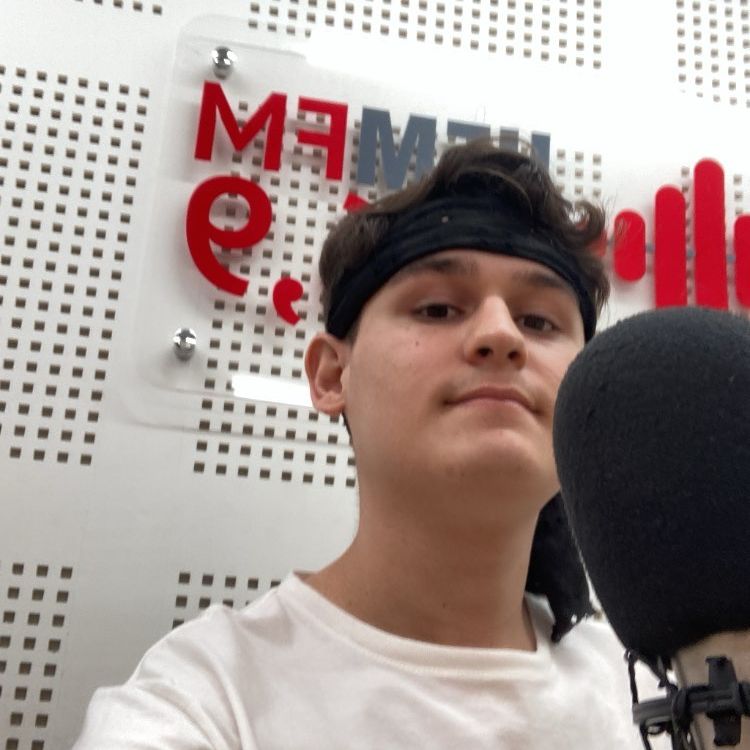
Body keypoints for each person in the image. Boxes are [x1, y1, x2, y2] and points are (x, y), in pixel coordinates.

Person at [73, 140, 642, 749]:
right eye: (438, 309)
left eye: (539, 322)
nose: (502, 335)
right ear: (331, 375)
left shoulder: (648, 690)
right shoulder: (205, 700)